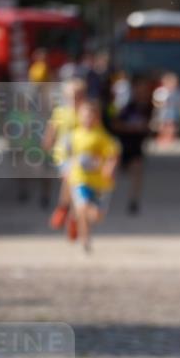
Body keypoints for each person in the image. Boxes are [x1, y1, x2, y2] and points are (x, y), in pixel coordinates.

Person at [67, 99, 120, 252]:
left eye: (91, 116)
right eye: (84, 116)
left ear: (97, 118)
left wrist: (109, 168)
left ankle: (75, 216)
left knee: (96, 216)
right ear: (79, 117)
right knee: (83, 207)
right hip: (80, 179)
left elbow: (113, 154)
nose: (87, 119)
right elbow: (69, 155)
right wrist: (67, 169)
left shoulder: (102, 136)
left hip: (100, 182)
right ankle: (85, 239)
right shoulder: (74, 135)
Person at [44, 78, 87, 231]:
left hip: (83, 156)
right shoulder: (61, 112)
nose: (75, 98)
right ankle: (63, 208)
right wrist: (48, 142)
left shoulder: (86, 112)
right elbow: (52, 129)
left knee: (78, 189)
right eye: (72, 95)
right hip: (64, 155)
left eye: (78, 95)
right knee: (70, 178)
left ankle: (74, 217)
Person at [111, 75, 152, 214]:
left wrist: (146, 128)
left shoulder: (149, 108)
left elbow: (151, 127)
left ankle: (133, 200)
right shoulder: (128, 107)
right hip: (123, 145)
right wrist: (131, 128)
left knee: (137, 172)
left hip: (137, 147)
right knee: (115, 173)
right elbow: (115, 124)